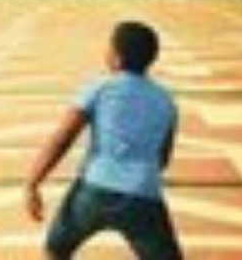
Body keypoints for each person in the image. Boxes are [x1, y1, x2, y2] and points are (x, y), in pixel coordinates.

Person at [24, 21, 182, 259]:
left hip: (94, 190)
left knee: (56, 250)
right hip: (143, 194)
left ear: (116, 59)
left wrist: (33, 183)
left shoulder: (99, 88)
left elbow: (62, 138)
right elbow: (163, 158)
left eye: (109, 47)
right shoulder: (166, 101)